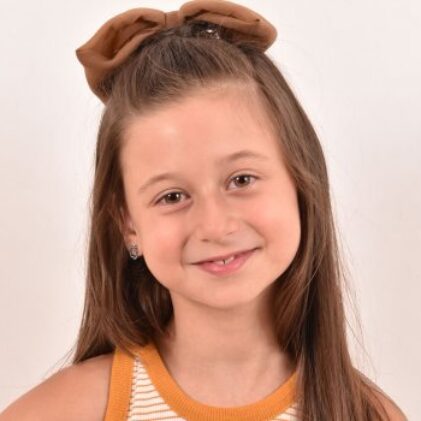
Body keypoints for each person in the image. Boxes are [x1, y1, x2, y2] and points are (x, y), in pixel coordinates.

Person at [0, 1, 408, 420]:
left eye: (241, 180)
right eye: (172, 197)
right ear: (128, 224)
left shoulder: (366, 413)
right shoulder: (66, 410)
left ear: (301, 182)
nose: (215, 225)